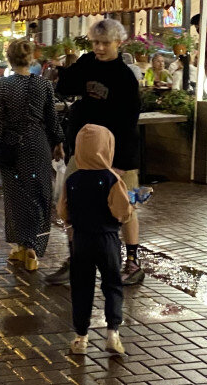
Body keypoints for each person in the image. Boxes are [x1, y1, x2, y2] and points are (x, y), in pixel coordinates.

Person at [48, 19, 144, 287]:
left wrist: (122, 163)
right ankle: (75, 259)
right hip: (84, 147)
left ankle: (133, 261)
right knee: (71, 202)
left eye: (105, 43)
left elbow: (129, 121)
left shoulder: (125, 77)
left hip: (118, 151)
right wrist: (65, 67)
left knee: (126, 205)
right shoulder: (87, 63)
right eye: (95, 43)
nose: (99, 48)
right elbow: (65, 88)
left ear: (118, 42)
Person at [0, 39, 64, 271]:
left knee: (16, 195)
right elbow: (52, 118)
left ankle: (22, 246)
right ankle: (32, 248)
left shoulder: (3, 85)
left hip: (12, 147)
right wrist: (58, 143)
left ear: (9, 58)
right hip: (38, 144)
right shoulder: (44, 85)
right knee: (39, 193)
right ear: (31, 59)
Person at [58, 124, 132, 357]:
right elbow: (122, 211)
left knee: (81, 287)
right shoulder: (112, 179)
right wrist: (131, 208)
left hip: (80, 240)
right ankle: (113, 334)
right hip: (107, 238)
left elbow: (62, 211)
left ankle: (81, 338)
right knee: (112, 284)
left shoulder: (72, 180)